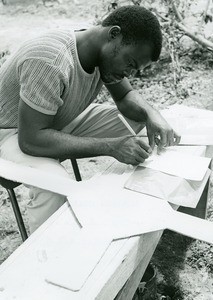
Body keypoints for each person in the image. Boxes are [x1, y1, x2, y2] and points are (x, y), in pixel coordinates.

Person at [0, 5, 180, 233]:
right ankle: (49, 258)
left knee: (137, 120)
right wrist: (111, 147)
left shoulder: (100, 53)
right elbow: (31, 140)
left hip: (53, 119)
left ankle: (132, 206)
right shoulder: (50, 60)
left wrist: (152, 114)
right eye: (130, 63)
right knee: (54, 184)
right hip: (10, 132)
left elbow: (125, 96)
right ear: (114, 35)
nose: (129, 74)